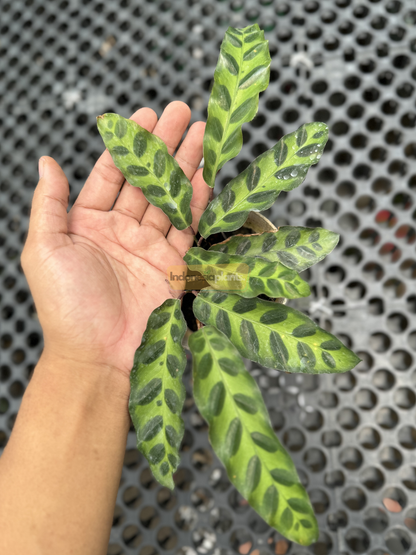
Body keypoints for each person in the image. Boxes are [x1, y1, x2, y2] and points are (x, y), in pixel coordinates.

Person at [0, 102, 209, 554]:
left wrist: (83, 362)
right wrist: (88, 358)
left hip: (170, 273)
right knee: (215, 276)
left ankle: (256, 276)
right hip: (164, 278)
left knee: (217, 274)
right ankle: (257, 278)